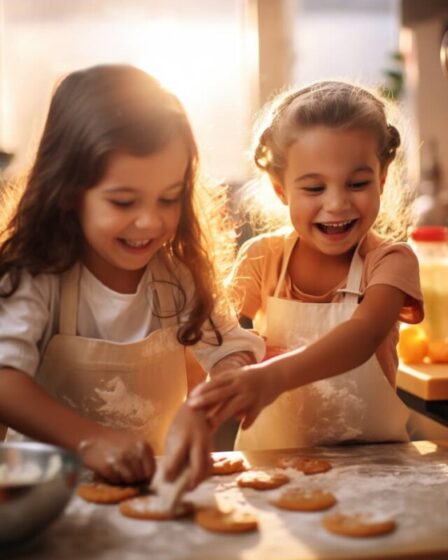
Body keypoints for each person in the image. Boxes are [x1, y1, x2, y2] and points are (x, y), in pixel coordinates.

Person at [0, 64, 264, 485]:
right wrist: (90, 440)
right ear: (68, 191)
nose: (149, 222)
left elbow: (232, 350)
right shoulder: (38, 277)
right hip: (46, 498)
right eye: (124, 202)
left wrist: (205, 407)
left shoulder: (178, 274)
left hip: (150, 487)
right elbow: (4, 380)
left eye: (168, 198)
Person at [188, 80, 424, 451]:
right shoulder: (264, 258)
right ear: (281, 190)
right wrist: (204, 401)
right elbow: (215, 337)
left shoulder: (390, 262)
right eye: (314, 189)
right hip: (271, 469)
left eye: (357, 183)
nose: (336, 203)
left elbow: (361, 336)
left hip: (374, 470)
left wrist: (272, 376)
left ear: (381, 180)